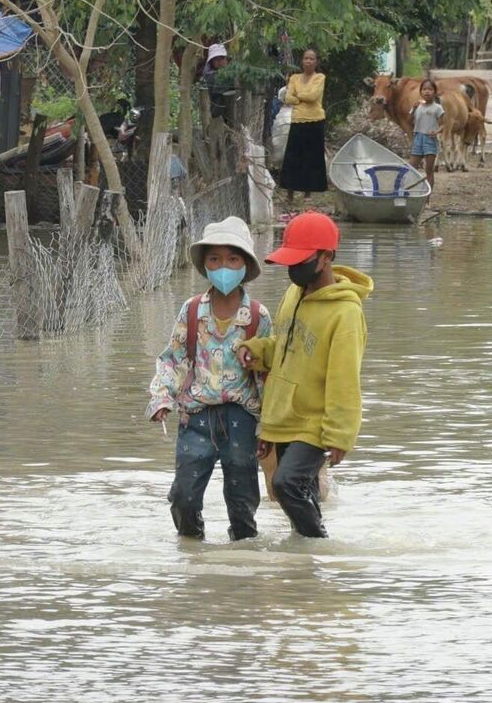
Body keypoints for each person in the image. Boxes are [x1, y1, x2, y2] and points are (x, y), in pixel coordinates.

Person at [238, 211, 372, 538]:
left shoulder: (346, 313)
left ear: (326, 258)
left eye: (301, 260)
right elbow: (286, 346)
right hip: (282, 416)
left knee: (287, 485)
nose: (293, 269)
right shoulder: (293, 295)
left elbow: (344, 379)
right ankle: (307, 568)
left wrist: (340, 434)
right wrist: (258, 350)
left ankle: (318, 544)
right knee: (300, 493)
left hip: (313, 422)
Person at [147, 217, 273, 541]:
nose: (224, 266)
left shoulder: (258, 317)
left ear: (245, 264)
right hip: (196, 417)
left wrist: (270, 427)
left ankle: (242, 567)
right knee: (184, 497)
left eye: (232, 259)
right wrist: (162, 398)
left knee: (243, 503)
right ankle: (192, 556)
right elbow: (173, 359)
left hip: (241, 419)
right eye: (215, 259)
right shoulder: (191, 312)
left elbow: (268, 376)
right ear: (205, 264)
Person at [278, 48, 329, 197]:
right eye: (306, 58)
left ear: (316, 62)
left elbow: (313, 96)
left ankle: (309, 191)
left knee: (312, 156)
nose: (308, 61)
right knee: (293, 156)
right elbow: (288, 98)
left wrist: (298, 96)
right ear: (302, 61)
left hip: (315, 120)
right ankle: (290, 191)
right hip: (298, 120)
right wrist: (300, 97)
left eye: (311, 59)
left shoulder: (320, 78)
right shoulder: (294, 78)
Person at [410, 78, 444, 192]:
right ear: (421, 92)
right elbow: (409, 120)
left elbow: (443, 125)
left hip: (430, 140)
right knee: (412, 168)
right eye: (424, 89)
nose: (427, 91)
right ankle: (413, 193)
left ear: (434, 92)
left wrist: (437, 132)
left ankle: (427, 198)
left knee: (429, 170)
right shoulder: (417, 106)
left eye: (430, 89)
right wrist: (414, 109)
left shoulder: (437, 108)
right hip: (417, 138)